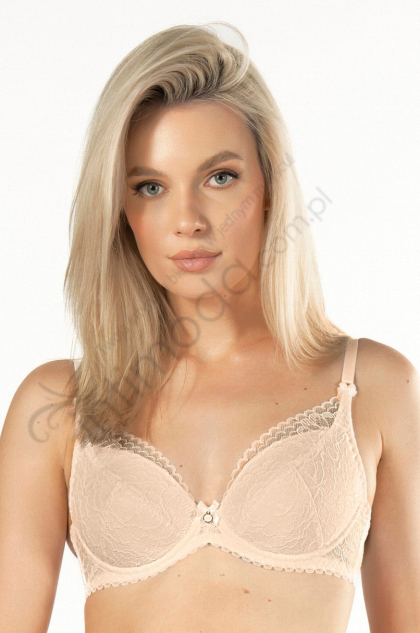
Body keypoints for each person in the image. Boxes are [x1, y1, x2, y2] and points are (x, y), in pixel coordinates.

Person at [1, 21, 419, 633]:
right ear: (119, 211)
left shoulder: (373, 387)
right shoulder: (61, 405)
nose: (187, 220)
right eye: (150, 187)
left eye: (220, 177)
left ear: (270, 187)